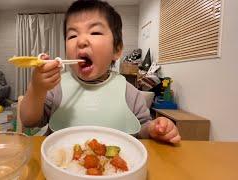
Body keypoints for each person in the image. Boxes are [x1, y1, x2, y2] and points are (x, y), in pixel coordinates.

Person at [20, 0, 181, 144]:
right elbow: (28, 121)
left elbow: (142, 128)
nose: (81, 41)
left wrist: (154, 129)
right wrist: (37, 88)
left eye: (95, 32)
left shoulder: (129, 93)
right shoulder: (56, 87)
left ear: (116, 50)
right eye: (72, 35)